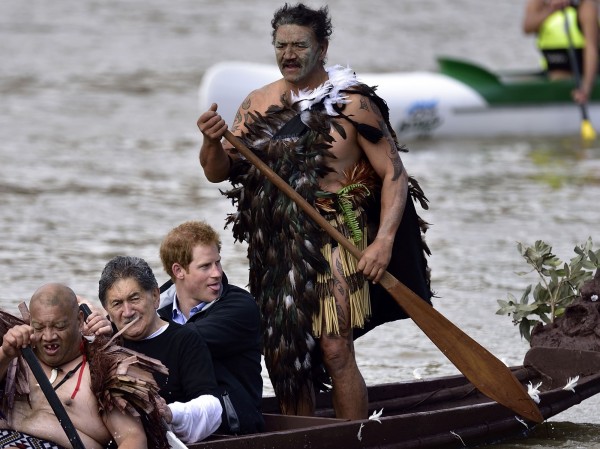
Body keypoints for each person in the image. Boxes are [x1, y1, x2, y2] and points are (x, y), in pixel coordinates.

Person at [196, 3, 432, 420]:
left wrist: (383, 243)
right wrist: (212, 142)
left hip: (335, 235)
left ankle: (352, 438)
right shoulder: (258, 103)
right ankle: (304, 439)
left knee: (335, 347)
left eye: (299, 45)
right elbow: (218, 172)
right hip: (276, 241)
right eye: (281, 45)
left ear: (322, 49)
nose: (288, 53)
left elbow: (394, 174)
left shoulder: (353, 105)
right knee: (286, 356)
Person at [0, 283, 154, 449]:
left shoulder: (103, 374)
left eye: (59, 326)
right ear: (30, 322)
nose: (49, 336)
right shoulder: (15, 359)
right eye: (39, 327)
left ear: (80, 320)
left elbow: (133, 438)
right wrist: (4, 354)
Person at [98, 255, 223, 443]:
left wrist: (170, 412)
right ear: (106, 309)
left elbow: (212, 409)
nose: (128, 312)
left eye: (134, 298)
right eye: (117, 303)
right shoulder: (104, 343)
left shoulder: (185, 341)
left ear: (155, 296)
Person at [157, 220, 265, 434]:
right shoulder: (155, 309)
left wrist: (134, 329)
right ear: (178, 271)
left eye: (217, 263)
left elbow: (184, 341)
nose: (216, 273)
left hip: (230, 429)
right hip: (172, 424)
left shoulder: (241, 307)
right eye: (205, 266)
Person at [523, 0, 598, 104]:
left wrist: (586, 87)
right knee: (526, 81)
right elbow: (527, 27)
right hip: (551, 72)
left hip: (580, 73)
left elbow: (591, 48)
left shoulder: (586, 7)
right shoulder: (540, 3)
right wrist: (552, 8)